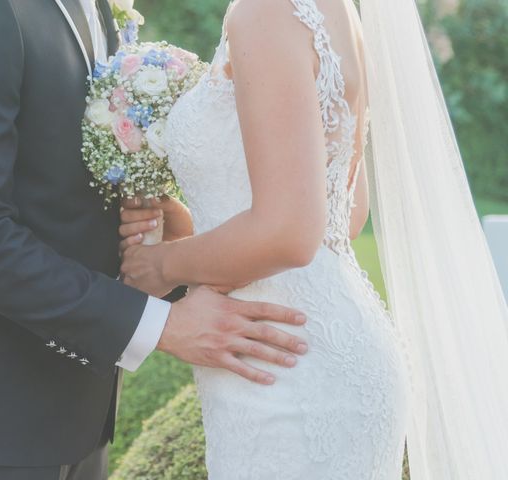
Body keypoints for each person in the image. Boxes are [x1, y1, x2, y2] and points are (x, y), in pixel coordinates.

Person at [0, 1, 310, 479]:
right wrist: (163, 326)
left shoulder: (94, 8)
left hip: (82, 405)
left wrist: (157, 232)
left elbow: (62, 180)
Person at [121, 0, 508, 477]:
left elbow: (290, 233)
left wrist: (161, 265)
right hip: (315, 348)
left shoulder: (265, 12)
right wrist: (197, 234)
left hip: (290, 370)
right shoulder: (336, 13)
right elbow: (343, 217)